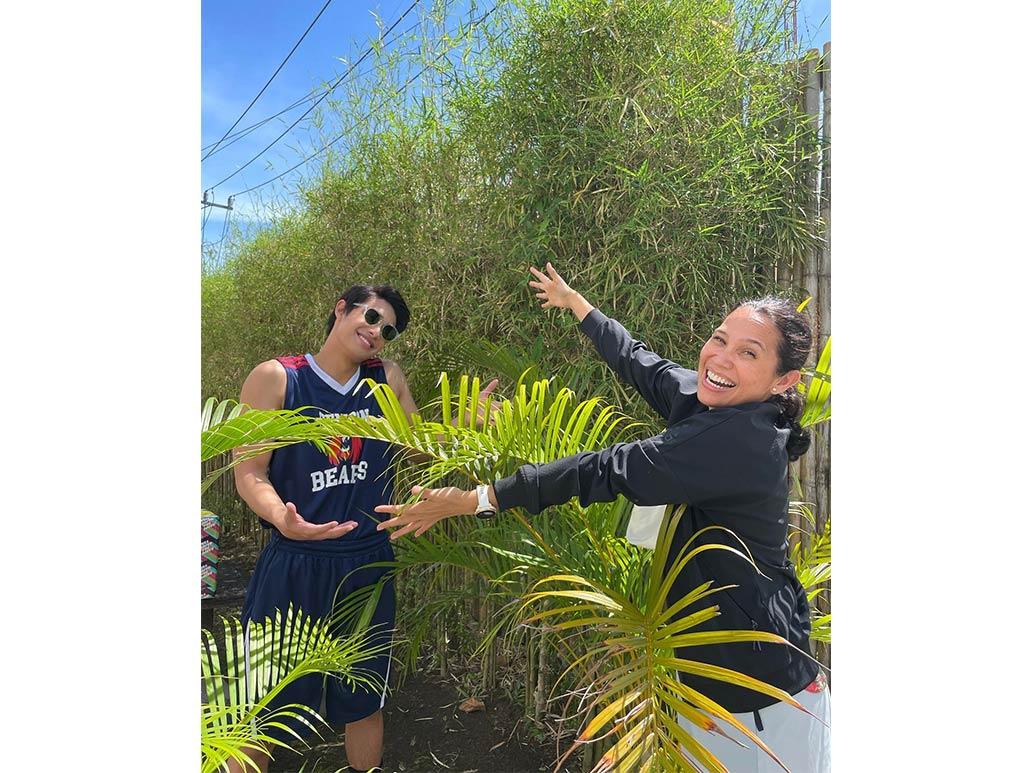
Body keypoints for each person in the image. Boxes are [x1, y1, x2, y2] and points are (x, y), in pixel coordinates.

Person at [375, 263, 831, 772]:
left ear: (783, 380)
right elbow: (643, 364)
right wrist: (577, 305)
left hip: (759, 698)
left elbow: (606, 468)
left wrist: (474, 499)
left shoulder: (738, 440)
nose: (720, 358)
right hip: (718, 684)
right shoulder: (718, 403)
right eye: (719, 339)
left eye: (749, 353)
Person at [230, 284, 419, 773]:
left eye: (389, 329)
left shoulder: (386, 380)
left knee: (364, 700)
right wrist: (281, 519)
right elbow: (250, 472)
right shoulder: (277, 378)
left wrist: (468, 423)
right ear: (342, 308)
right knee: (261, 706)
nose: (377, 332)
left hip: (368, 565)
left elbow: (417, 444)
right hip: (295, 564)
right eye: (372, 316)